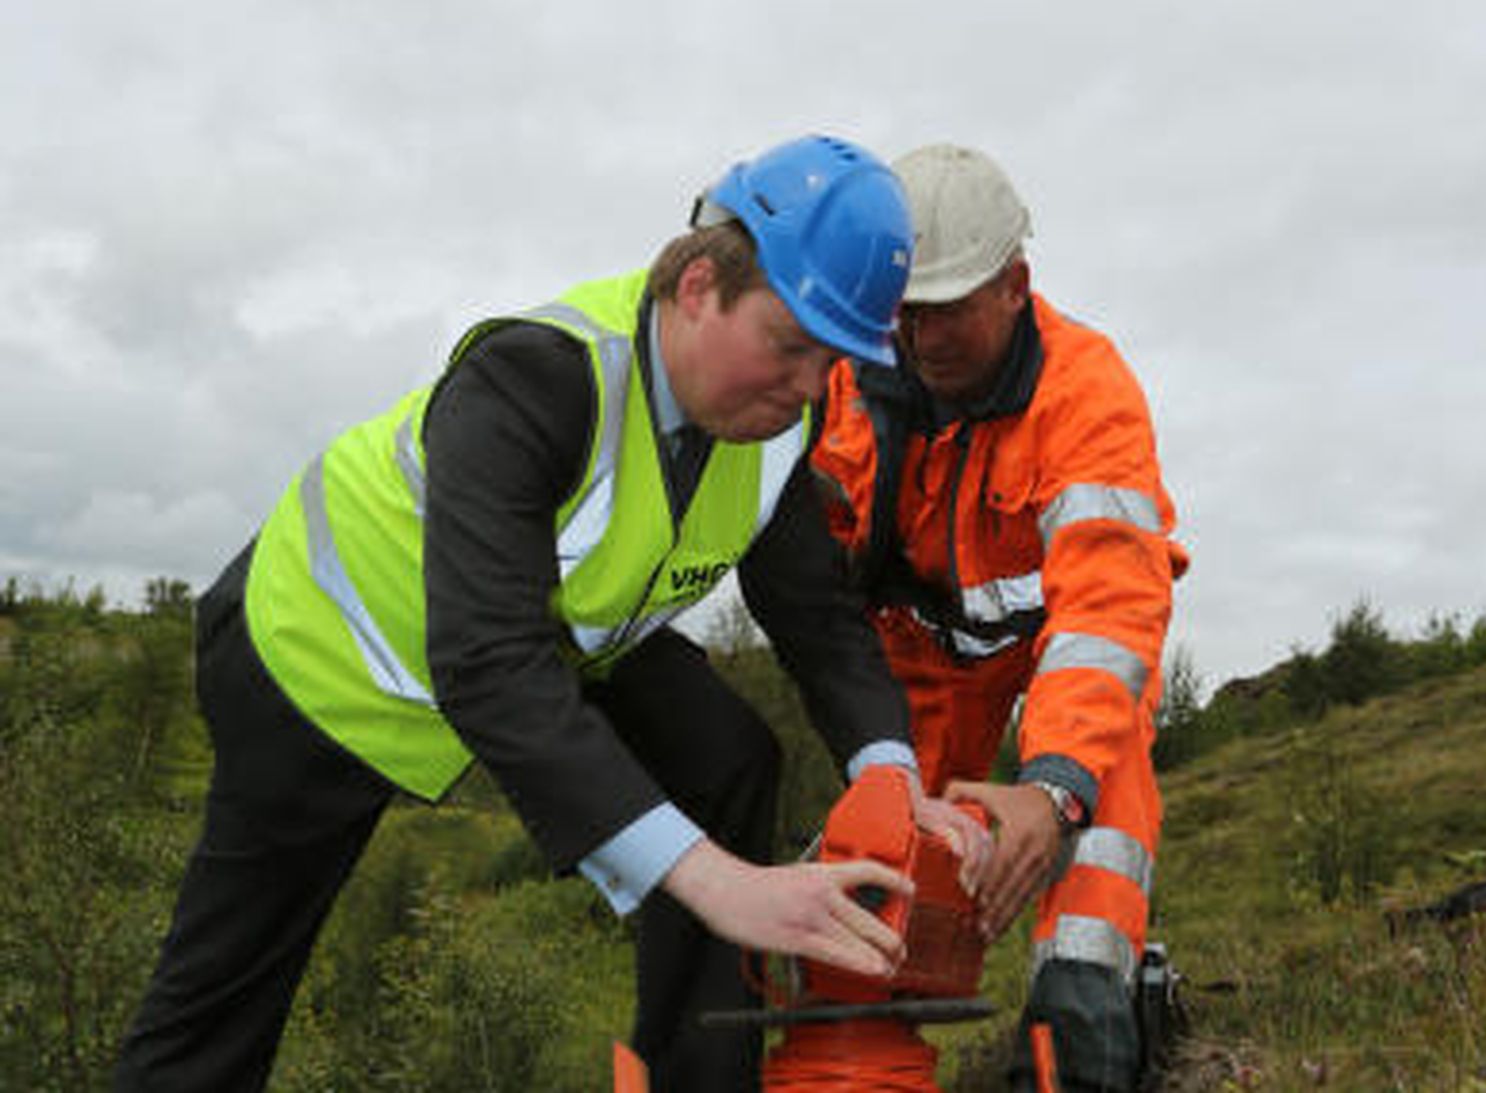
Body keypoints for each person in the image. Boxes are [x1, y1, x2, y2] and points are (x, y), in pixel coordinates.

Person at [114, 134, 990, 1093]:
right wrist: (716, 881)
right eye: (788, 347)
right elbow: (488, 663)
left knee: (728, 753)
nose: (802, 389)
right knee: (227, 996)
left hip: (555, 637)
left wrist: (891, 775)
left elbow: (816, 617)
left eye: (831, 363)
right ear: (698, 285)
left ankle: (697, 1077)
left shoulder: (779, 427)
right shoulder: (533, 376)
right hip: (319, 654)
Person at [811, 143, 1187, 1093]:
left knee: (1105, 776)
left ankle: (1083, 1022)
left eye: (948, 310)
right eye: (907, 311)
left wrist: (1050, 787)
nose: (923, 338)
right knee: (886, 861)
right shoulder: (849, 381)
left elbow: (1106, 606)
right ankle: (862, 1061)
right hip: (920, 667)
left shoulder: (1086, 393)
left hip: (1054, 658)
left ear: (1015, 285)